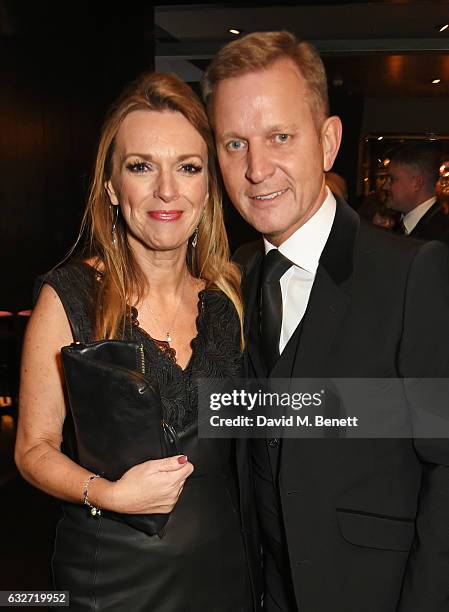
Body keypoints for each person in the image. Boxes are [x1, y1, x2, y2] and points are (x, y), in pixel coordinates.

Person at [202, 31, 449, 612]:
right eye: (234, 143)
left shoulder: (413, 274)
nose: (257, 168)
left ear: (329, 141)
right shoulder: (233, 275)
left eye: (280, 137)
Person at [15, 72, 254, 611]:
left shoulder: (233, 297)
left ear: (208, 186)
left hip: (225, 572)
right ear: (111, 187)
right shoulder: (70, 296)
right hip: (112, 579)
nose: (166, 190)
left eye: (188, 168)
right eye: (141, 166)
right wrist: (108, 494)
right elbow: (33, 449)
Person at [386, 142, 449, 242]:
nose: (385, 186)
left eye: (392, 179)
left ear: (417, 183)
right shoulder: (397, 224)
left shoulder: (441, 238)